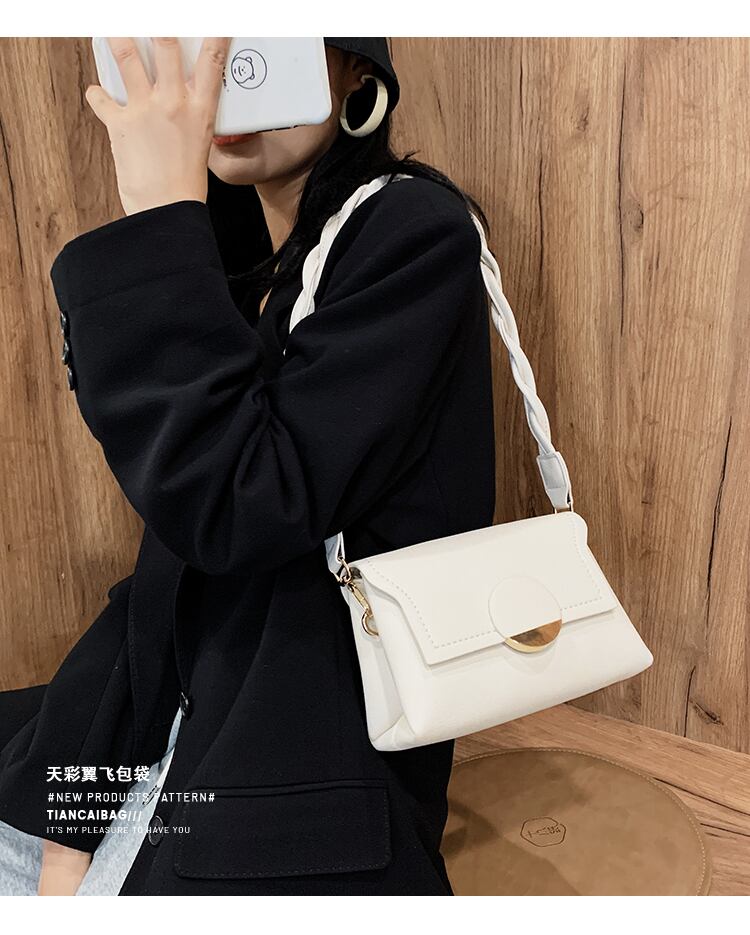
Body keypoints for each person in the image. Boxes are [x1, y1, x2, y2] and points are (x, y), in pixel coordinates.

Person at [0, 36, 496, 895]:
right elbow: (168, 562)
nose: (223, 73)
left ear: (356, 69)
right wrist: (71, 810)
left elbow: (242, 507)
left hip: (297, 759)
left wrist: (158, 221)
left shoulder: (411, 233)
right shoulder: (240, 256)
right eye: (199, 40)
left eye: (262, 42)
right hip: (175, 711)